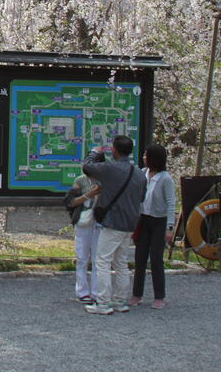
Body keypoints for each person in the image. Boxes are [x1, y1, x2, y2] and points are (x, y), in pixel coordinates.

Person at [82, 134, 147, 315]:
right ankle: (120, 301)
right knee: (121, 263)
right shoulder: (140, 174)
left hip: (113, 223)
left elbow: (87, 166)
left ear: (114, 150)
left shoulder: (110, 169)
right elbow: (141, 197)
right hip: (129, 224)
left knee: (102, 261)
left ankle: (103, 302)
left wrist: (93, 153)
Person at [130, 144, 175, 309]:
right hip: (143, 220)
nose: (143, 157)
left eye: (146, 155)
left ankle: (159, 296)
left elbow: (171, 204)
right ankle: (137, 293)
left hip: (159, 221)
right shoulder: (143, 173)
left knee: (156, 259)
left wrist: (169, 228)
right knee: (139, 258)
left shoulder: (165, 179)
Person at [65, 172, 101, 303]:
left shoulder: (106, 180)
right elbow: (70, 202)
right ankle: (82, 291)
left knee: (98, 259)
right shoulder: (80, 180)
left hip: (100, 222)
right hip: (83, 221)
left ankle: (97, 292)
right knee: (82, 257)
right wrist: (88, 195)